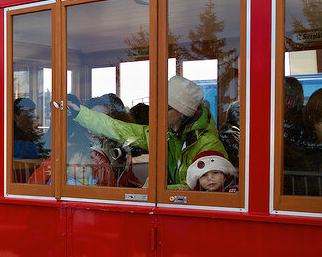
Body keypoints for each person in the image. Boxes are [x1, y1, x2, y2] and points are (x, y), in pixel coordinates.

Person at [68, 74, 228, 188]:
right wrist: (80, 113)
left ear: (182, 112)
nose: (157, 111)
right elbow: (120, 129)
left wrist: (158, 190)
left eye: (166, 107)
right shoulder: (169, 134)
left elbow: (209, 188)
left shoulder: (208, 144)